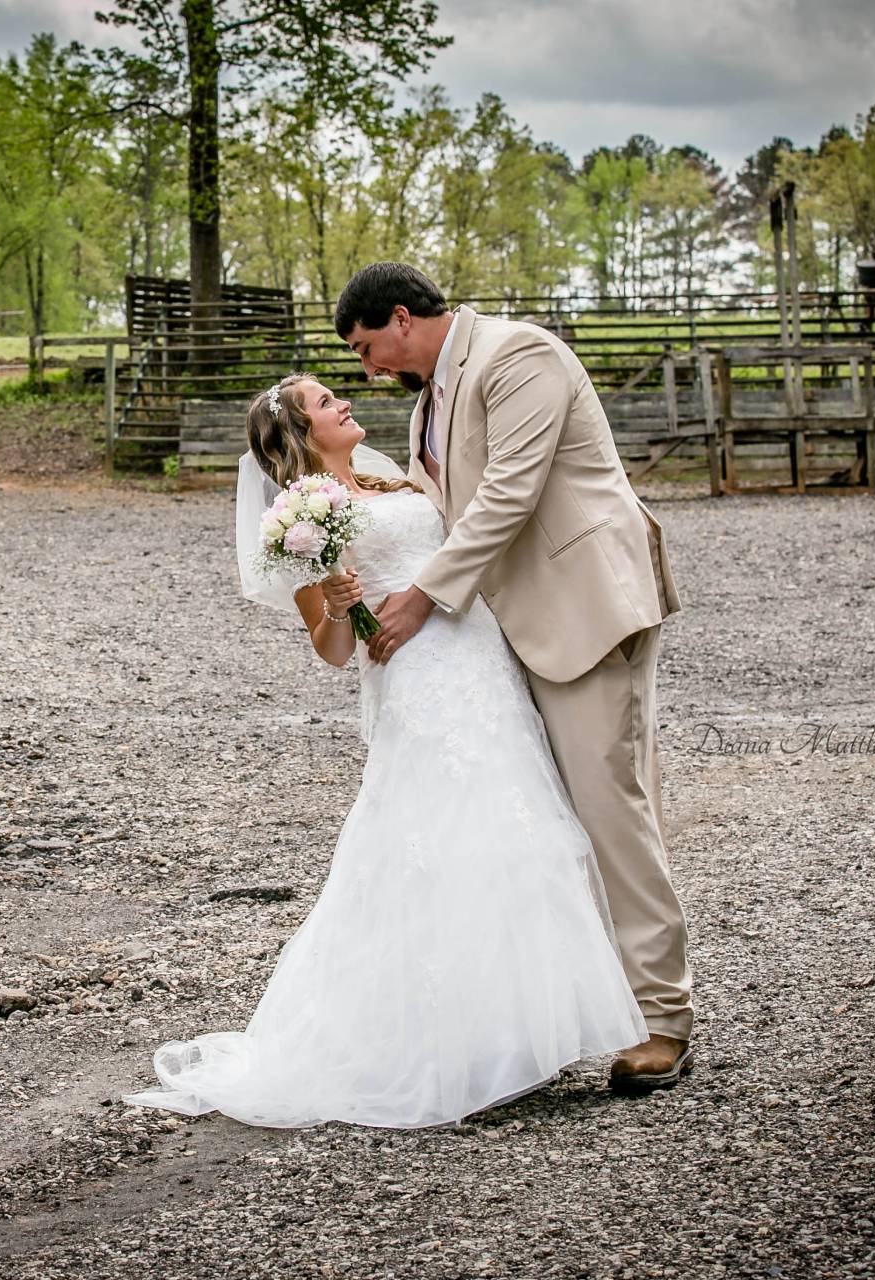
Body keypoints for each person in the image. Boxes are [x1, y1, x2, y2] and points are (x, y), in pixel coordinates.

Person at [121, 374, 648, 1130]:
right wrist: (339, 606)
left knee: (515, 829)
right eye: (325, 403)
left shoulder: (397, 476)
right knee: (441, 836)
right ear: (303, 434)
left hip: (481, 659)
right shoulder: (300, 520)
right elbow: (334, 651)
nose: (342, 403)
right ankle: (449, 1043)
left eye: (337, 393)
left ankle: (519, 1031)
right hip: (416, 680)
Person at [334, 261, 692, 1091]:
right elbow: (430, 503)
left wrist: (421, 599)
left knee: (613, 811)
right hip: (512, 627)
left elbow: (509, 493)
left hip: (583, 608)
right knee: (549, 823)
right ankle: (573, 1010)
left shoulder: (517, 355)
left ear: (399, 317)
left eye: (365, 347)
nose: (368, 369)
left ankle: (663, 1020)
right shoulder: (430, 395)